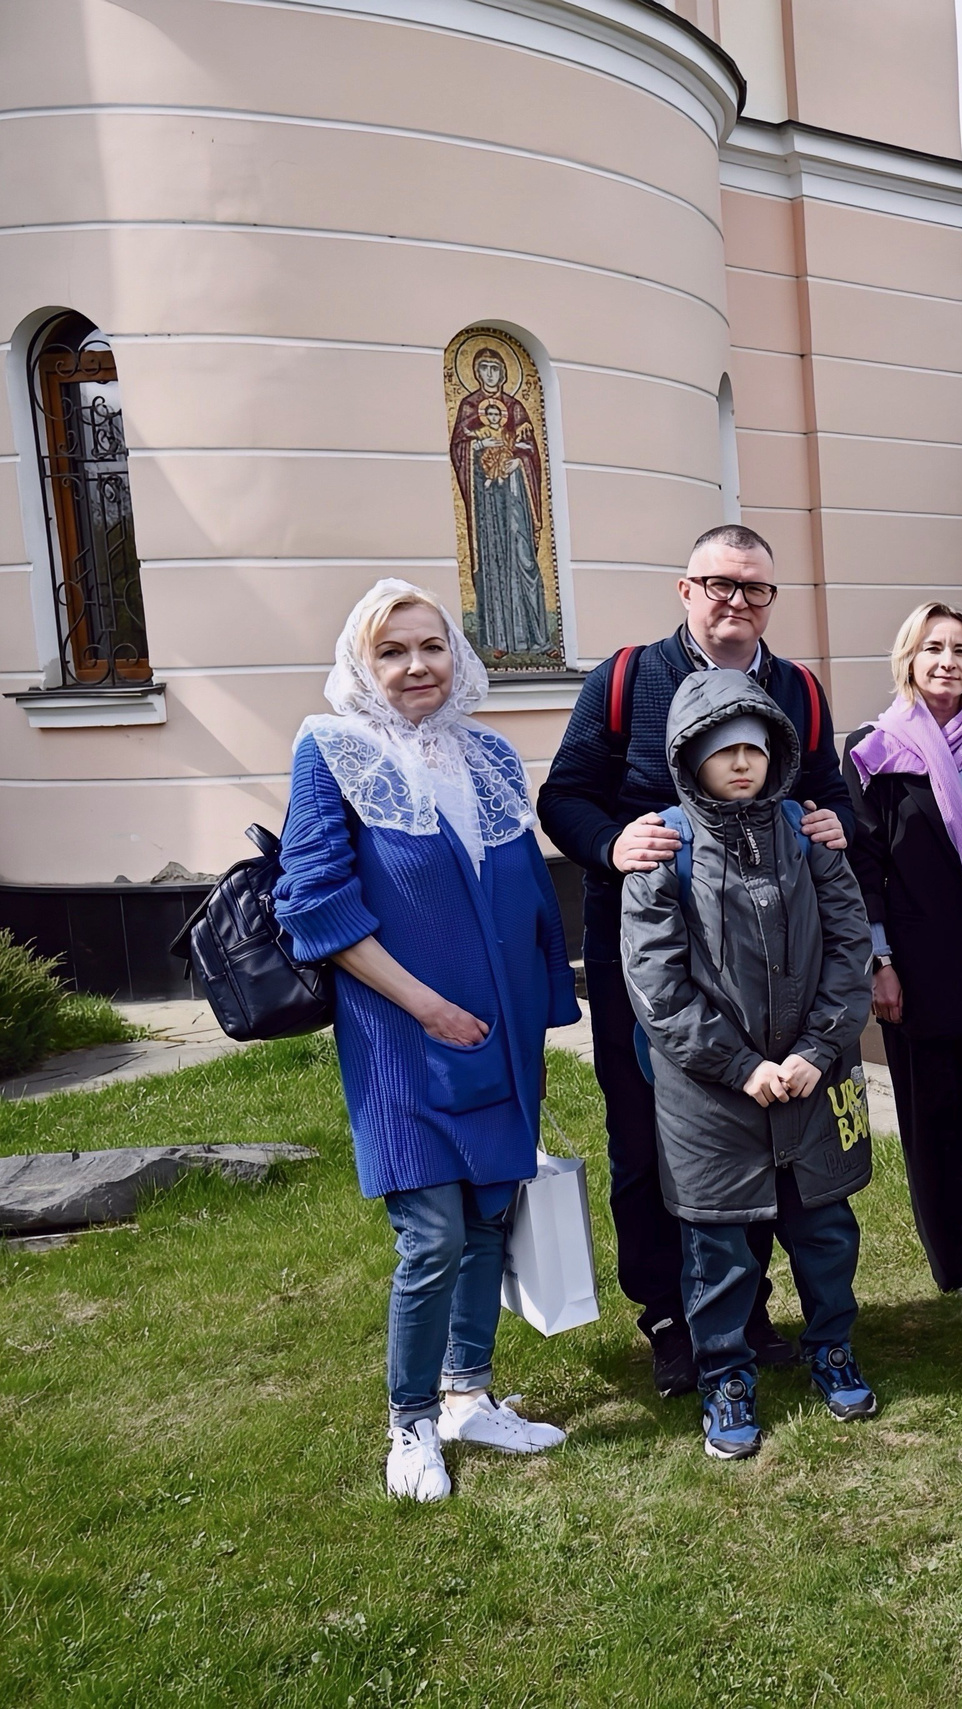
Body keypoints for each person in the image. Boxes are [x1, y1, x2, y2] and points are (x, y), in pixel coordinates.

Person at [275, 579, 580, 1502]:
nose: (417, 667)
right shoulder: (331, 749)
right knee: (433, 1231)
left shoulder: (487, 752)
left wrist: (544, 1007)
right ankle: (409, 1423)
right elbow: (314, 902)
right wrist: (427, 1004)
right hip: (401, 1035)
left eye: (432, 646)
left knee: (490, 1207)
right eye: (394, 651)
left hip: (499, 1030)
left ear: (458, 654)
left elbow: (525, 885)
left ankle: (468, 1394)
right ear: (362, 665)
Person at [536, 523, 851, 1399]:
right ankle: (671, 1318)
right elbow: (562, 795)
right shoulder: (627, 679)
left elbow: (828, 796)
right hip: (653, 960)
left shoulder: (796, 690)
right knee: (647, 1138)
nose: (736, 602)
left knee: (763, 1134)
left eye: (755, 589)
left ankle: (746, 1313)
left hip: (773, 965)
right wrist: (611, 842)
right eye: (720, 584)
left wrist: (835, 823)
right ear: (686, 589)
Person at [621, 671, 878, 1458]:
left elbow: (849, 948)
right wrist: (739, 1066)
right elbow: (658, 987)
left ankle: (830, 1343)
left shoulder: (809, 839)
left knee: (826, 1230)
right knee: (720, 1250)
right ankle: (724, 1373)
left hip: (812, 1081)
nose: (740, 763)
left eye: (753, 749)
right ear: (689, 758)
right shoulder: (665, 853)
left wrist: (817, 1049)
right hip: (711, 1098)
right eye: (721, 751)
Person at [847, 602, 962, 1298]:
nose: (947, 660)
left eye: (959, 648)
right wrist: (879, 960)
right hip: (918, 964)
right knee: (935, 1116)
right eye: (932, 648)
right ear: (909, 659)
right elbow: (864, 864)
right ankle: (957, 1259)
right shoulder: (873, 749)